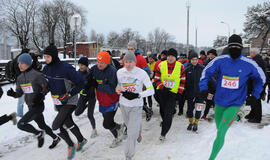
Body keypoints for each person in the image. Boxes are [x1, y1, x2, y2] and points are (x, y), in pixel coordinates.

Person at [199, 34, 265, 160]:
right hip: (219, 102)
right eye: (232, 46)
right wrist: (203, 88)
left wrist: (256, 94)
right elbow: (205, 72)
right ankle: (237, 118)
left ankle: (211, 158)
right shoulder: (220, 61)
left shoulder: (248, 63)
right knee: (220, 130)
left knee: (221, 131)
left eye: (237, 46)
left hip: (235, 103)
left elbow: (260, 78)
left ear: (241, 48)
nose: (234, 48)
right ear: (228, 47)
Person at [7, 53, 61, 149]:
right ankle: (55, 138)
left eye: (22, 63)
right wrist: (13, 94)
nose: (19, 65)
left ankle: (39, 134)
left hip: (38, 105)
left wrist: (41, 95)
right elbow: (19, 94)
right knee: (42, 125)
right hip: (30, 106)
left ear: (28, 63)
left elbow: (47, 87)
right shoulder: (19, 78)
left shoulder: (37, 75)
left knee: (21, 124)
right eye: (18, 63)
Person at [43, 44, 87, 160]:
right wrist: (44, 91)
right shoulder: (46, 68)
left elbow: (81, 82)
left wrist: (69, 94)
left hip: (69, 101)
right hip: (57, 101)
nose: (45, 59)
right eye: (44, 56)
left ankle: (70, 145)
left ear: (53, 56)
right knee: (68, 122)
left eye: (47, 57)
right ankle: (81, 140)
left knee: (55, 126)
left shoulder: (66, 68)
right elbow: (50, 83)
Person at [116, 51, 154, 160]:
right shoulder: (119, 72)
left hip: (136, 106)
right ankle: (138, 132)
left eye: (131, 62)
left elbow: (151, 90)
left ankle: (128, 156)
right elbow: (118, 85)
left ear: (135, 62)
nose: (128, 64)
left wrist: (138, 95)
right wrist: (118, 89)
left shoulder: (141, 73)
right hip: (123, 104)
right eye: (126, 62)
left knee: (131, 133)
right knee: (130, 126)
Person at [84, 51, 124, 148]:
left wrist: (97, 85)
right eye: (98, 62)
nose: (99, 64)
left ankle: (117, 137)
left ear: (107, 62)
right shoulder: (94, 69)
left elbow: (111, 88)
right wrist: (87, 83)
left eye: (101, 63)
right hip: (102, 100)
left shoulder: (112, 71)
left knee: (106, 124)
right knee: (108, 121)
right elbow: (87, 78)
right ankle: (120, 127)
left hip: (112, 100)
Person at [154, 48, 186, 141]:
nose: (170, 58)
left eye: (172, 56)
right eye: (168, 56)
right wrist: (162, 87)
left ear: (176, 57)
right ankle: (164, 121)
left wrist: (180, 93)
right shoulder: (161, 65)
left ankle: (163, 133)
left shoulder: (181, 66)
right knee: (162, 111)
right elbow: (156, 78)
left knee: (168, 114)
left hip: (173, 94)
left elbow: (183, 80)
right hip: (162, 92)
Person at [127, 41, 152, 121]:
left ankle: (147, 111)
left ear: (135, 49)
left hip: (139, 83)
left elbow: (147, 71)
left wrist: (142, 80)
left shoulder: (140, 58)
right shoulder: (126, 58)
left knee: (139, 99)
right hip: (129, 83)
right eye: (128, 49)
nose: (130, 51)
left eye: (132, 49)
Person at [74, 57, 98, 138]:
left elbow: (96, 84)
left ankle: (94, 129)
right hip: (82, 96)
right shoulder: (77, 73)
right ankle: (86, 105)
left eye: (82, 65)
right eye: (79, 64)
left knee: (90, 115)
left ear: (86, 65)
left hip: (91, 97)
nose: (80, 66)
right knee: (77, 113)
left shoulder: (91, 73)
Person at [185, 51, 205, 132]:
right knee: (190, 110)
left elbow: (208, 79)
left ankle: (196, 123)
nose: (195, 61)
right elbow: (183, 81)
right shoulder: (187, 69)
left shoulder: (202, 68)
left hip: (200, 93)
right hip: (190, 94)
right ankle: (190, 122)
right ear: (190, 60)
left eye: (196, 59)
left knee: (198, 109)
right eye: (193, 59)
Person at [245, 49, 266, 123]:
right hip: (254, 83)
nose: (250, 54)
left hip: (257, 84)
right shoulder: (256, 60)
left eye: (251, 52)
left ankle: (257, 117)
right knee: (253, 100)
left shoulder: (257, 61)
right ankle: (252, 113)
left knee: (256, 100)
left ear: (254, 53)